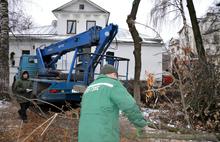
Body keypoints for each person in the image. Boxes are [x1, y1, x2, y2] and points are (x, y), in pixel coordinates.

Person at [78, 64, 151, 142]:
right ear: (114, 74)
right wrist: (141, 124)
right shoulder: (113, 84)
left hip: (84, 136)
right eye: (117, 77)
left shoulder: (89, 88)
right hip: (104, 136)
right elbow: (129, 106)